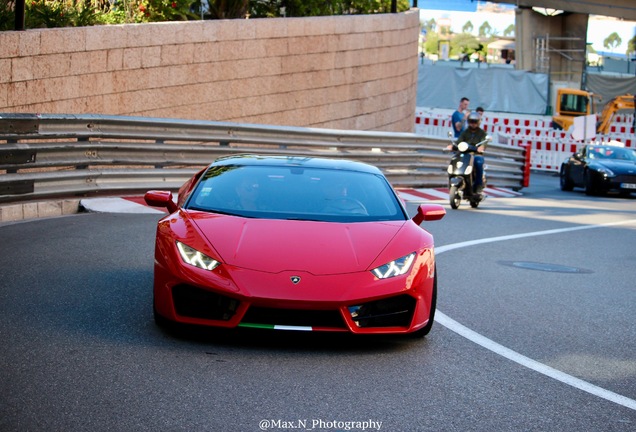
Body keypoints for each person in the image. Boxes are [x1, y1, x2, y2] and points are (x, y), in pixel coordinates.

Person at [455, 112, 487, 194]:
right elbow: (459, 141)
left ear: (478, 122)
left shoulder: (482, 133)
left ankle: (478, 185)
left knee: (479, 163)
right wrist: (452, 146)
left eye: (475, 121)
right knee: (456, 159)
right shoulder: (465, 132)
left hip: (476, 155)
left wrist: (481, 147)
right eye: (471, 121)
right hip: (465, 154)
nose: (473, 124)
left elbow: (484, 143)